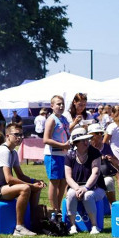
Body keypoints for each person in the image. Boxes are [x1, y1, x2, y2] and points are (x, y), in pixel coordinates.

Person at [0, 125, 43, 235]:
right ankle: (19, 228)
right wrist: (31, 185)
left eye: (21, 135)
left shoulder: (13, 152)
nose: (20, 137)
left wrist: (35, 181)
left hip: (2, 188)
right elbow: (9, 179)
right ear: (7, 136)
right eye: (16, 134)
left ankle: (34, 223)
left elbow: (21, 175)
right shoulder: (4, 151)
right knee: (25, 188)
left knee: (36, 188)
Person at [64, 128, 107, 235]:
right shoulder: (69, 155)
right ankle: (72, 226)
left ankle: (94, 226)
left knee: (88, 195)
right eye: (82, 140)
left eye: (87, 139)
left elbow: (95, 173)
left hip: (96, 187)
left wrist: (85, 188)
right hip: (77, 187)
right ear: (75, 143)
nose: (86, 142)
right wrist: (77, 188)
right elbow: (68, 177)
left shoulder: (95, 152)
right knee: (70, 194)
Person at [41, 95, 73, 223]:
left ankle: (58, 209)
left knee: (63, 182)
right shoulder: (51, 119)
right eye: (58, 104)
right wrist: (63, 145)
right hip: (53, 155)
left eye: (62, 104)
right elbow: (46, 139)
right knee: (54, 183)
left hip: (64, 155)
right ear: (52, 106)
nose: (61, 106)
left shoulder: (64, 119)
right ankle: (54, 211)